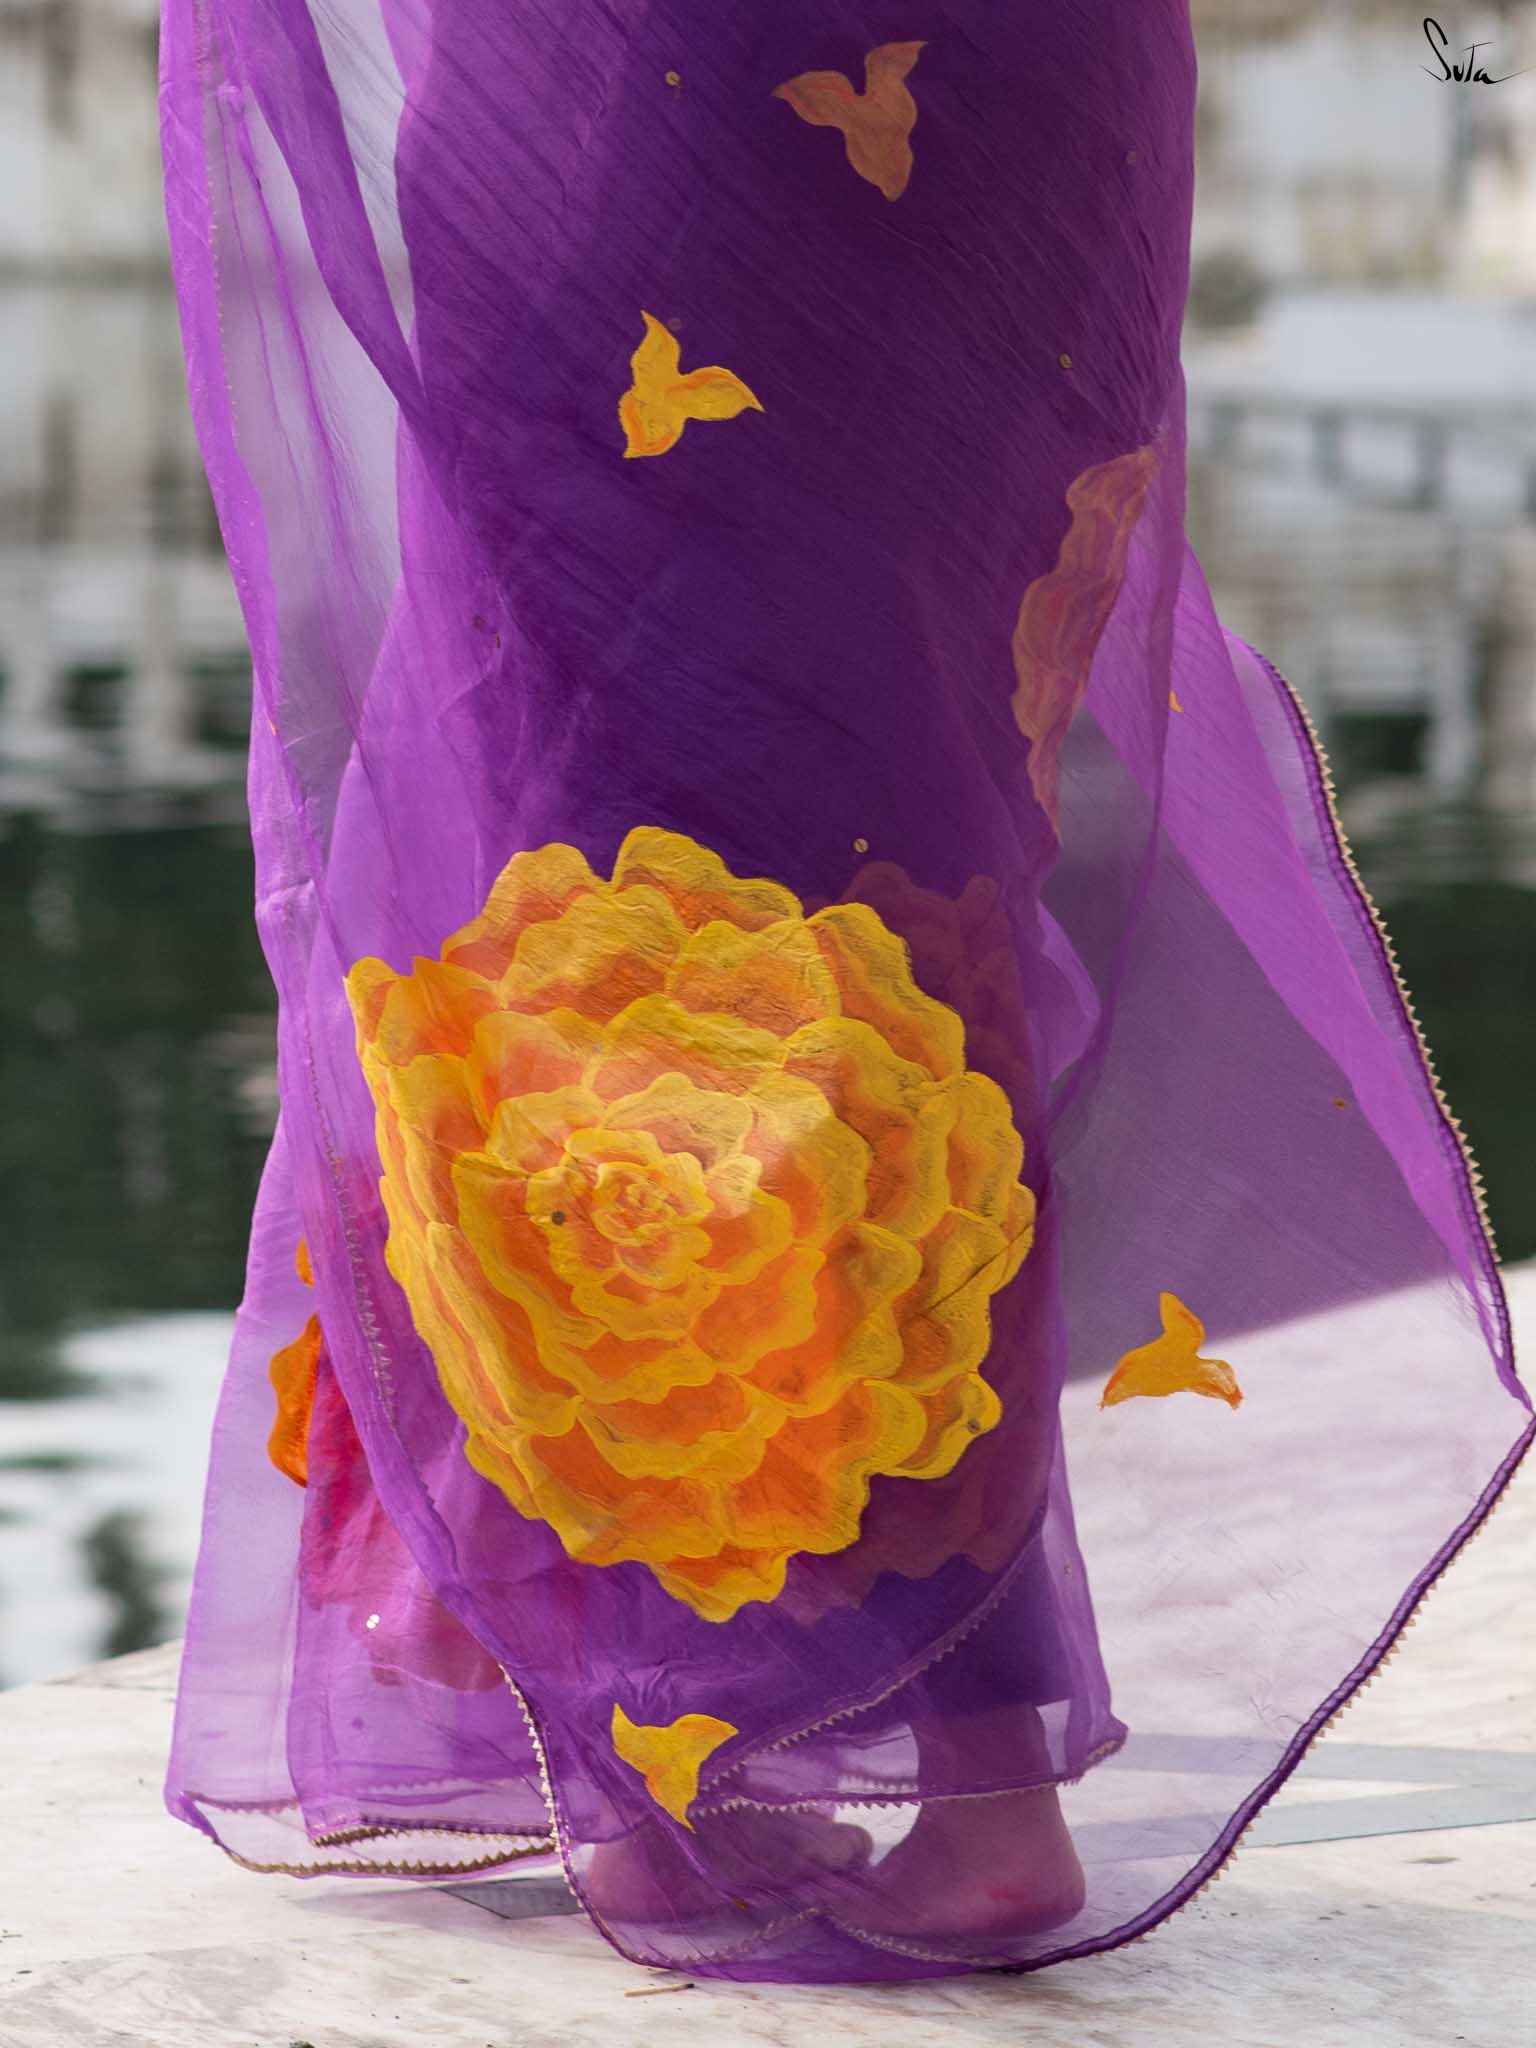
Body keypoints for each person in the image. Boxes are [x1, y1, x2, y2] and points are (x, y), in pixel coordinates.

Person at [159, 0, 1532, 1982]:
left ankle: (667, 1744)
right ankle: (971, 1761)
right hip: (1019, 99)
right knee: (909, 874)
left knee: (590, 827)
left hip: (655, 83)